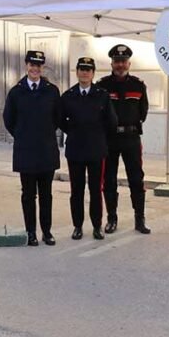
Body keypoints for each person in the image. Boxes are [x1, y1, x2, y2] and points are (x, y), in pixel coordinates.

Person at [3, 50, 62, 246]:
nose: (35, 68)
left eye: (38, 65)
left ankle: (47, 232)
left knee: (46, 194)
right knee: (28, 195)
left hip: (46, 150)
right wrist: (22, 135)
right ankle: (31, 232)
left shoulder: (52, 90)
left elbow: (57, 118)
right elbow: (8, 120)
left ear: (42, 67)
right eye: (32, 64)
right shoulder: (16, 91)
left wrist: (43, 134)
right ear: (26, 65)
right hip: (25, 151)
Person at [60, 57, 118, 241]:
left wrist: (99, 136)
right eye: (81, 69)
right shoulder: (68, 96)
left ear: (93, 73)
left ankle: (96, 226)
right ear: (76, 72)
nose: (85, 73)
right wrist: (74, 131)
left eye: (88, 69)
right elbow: (60, 120)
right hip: (76, 149)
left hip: (96, 150)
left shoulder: (102, 95)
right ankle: (77, 226)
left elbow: (112, 122)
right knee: (76, 190)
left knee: (95, 190)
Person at [97, 44, 151, 234]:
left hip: (131, 138)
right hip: (109, 139)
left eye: (123, 61)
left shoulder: (138, 85)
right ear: (112, 63)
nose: (120, 65)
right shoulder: (102, 86)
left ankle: (140, 219)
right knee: (109, 180)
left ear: (129, 63)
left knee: (136, 179)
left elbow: (143, 111)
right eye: (117, 61)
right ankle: (112, 218)